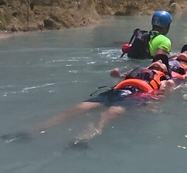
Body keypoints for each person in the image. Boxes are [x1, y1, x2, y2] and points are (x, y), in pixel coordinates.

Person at [39, 55, 175, 144]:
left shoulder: (163, 79)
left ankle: (92, 132)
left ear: (166, 71)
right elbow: (121, 76)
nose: (159, 62)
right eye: (157, 60)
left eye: (163, 63)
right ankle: (42, 127)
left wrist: (168, 89)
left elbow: (162, 94)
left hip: (138, 94)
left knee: (113, 111)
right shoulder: (137, 70)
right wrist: (116, 74)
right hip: (118, 90)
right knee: (81, 107)